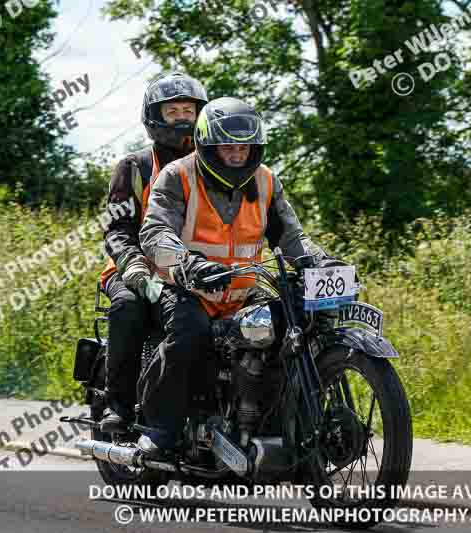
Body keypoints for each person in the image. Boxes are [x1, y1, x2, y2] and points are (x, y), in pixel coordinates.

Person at [137, 97, 331, 456]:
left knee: (293, 329)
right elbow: (155, 234)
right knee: (190, 334)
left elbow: (291, 237)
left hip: (243, 292)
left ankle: (277, 425)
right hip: (186, 289)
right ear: (209, 145)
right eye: (229, 146)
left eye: (245, 147)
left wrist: (321, 262)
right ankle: (159, 428)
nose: (238, 154)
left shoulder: (267, 181)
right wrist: (188, 264)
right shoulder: (178, 176)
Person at [98, 72, 208, 433]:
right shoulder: (136, 167)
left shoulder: (215, 166)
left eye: (188, 110)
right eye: (173, 110)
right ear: (155, 117)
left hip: (190, 270)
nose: (182, 118)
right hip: (135, 268)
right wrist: (131, 263)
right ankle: (119, 404)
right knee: (129, 305)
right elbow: (116, 229)